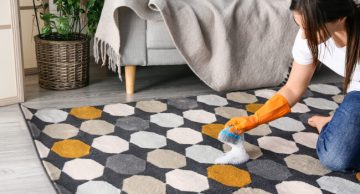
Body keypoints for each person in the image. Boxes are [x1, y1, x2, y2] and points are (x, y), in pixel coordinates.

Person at [220, 0, 360, 172]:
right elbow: (293, 88)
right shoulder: (307, 39)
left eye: (312, 28)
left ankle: (337, 123)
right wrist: (253, 120)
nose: (303, 35)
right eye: (300, 25)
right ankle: (333, 125)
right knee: (336, 158)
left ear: (340, 18)